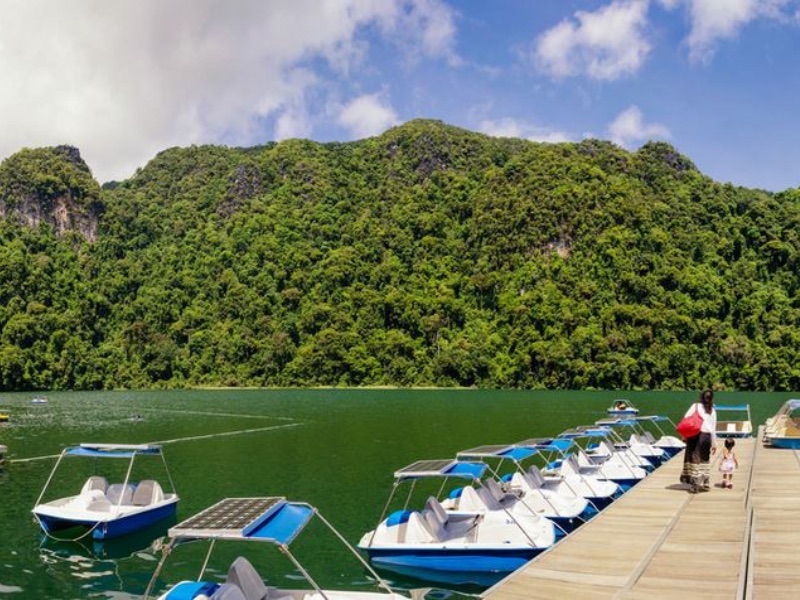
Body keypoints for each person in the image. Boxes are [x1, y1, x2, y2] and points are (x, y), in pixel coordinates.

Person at [680, 389, 717, 493]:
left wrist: (684, 435)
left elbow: (686, 419)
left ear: (701, 397)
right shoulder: (712, 410)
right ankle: (706, 482)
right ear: (711, 398)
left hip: (695, 435)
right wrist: (714, 444)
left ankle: (695, 485)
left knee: (694, 459)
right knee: (705, 459)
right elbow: (713, 429)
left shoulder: (695, 406)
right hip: (706, 437)